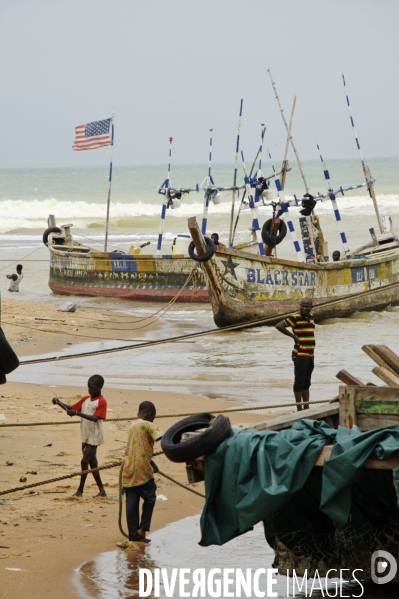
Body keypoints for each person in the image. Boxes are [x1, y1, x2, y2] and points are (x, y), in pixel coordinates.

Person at [52, 375, 107, 497]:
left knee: (84, 461)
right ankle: (102, 490)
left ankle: (80, 491)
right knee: (93, 464)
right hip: (86, 434)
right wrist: (59, 402)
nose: (89, 390)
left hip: (94, 436)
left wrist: (77, 413)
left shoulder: (102, 402)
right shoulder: (86, 399)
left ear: (99, 387)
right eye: (88, 387)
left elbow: (94, 418)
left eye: (91, 387)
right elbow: (71, 409)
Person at [122, 401, 159, 543]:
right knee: (150, 498)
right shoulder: (148, 425)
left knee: (132, 502)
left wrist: (152, 463)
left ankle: (133, 534)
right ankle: (142, 529)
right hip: (142, 471)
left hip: (129, 469)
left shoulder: (132, 425)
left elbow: (139, 449)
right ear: (150, 414)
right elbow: (162, 438)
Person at [275, 298, 315, 412]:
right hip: (300, 354)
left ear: (311, 307)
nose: (305, 308)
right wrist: (293, 337)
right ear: (299, 306)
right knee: (299, 382)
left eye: (307, 306)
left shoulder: (311, 317)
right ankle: (299, 409)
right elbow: (279, 326)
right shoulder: (295, 317)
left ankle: (306, 408)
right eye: (303, 306)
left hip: (310, 354)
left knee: (307, 383)